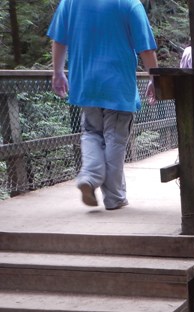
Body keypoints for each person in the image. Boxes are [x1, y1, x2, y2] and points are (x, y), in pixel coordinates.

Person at [47, 0, 158, 210]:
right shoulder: (129, 3)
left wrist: (58, 72)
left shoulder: (70, 3)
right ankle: (114, 197)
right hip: (118, 85)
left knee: (91, 133)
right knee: (114, 139)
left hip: (86, 83)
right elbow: (146, 48)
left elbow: (59, 39)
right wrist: (155, 79)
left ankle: (89, 176)